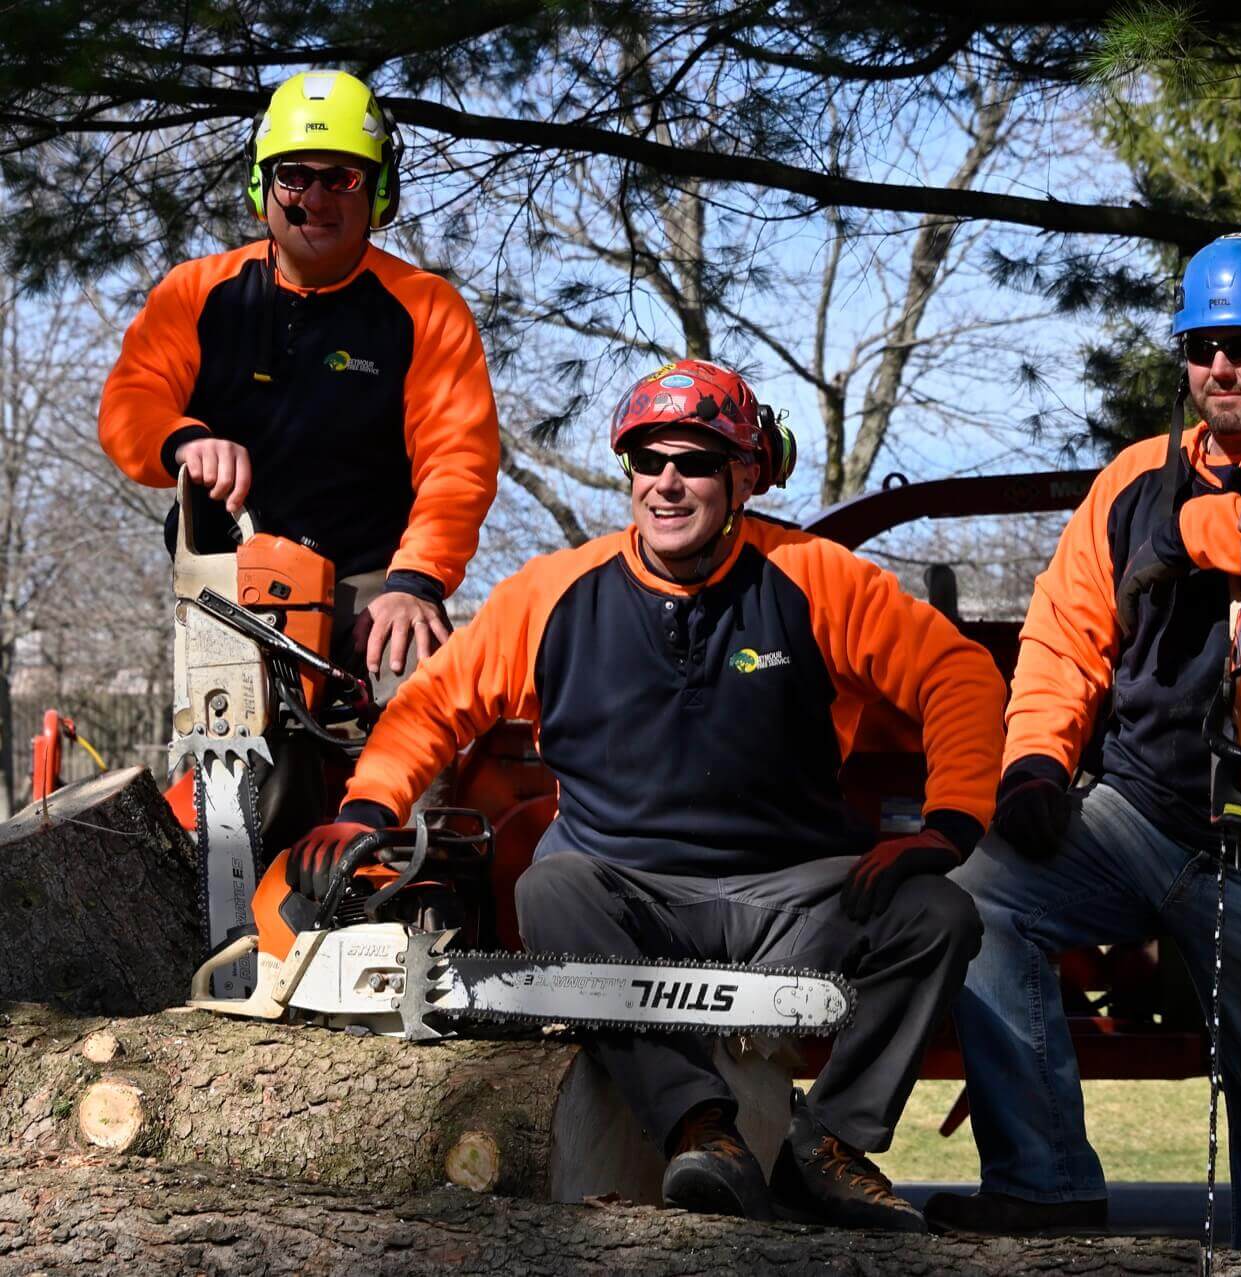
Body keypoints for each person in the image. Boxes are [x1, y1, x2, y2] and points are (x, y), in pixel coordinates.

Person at [285, 359, 1003, 1232]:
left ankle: (830, 1147)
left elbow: (958, 673)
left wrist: (950, 823)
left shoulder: (819, 579)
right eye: (646, 460)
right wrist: (369, 808)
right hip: (624, 898)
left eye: (695, 462)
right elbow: (435, 703)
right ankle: (704, 1133)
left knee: (937, 912)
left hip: (793, 897)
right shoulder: (550, 595)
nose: (666, 483)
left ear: (744, 475)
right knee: (549, 887)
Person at [927, 233, 1241, 1246]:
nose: (1220, 366)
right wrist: (1038, 763)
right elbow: (1063, 636)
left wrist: (1237, 527)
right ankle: (1044, 1187)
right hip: (1139, 816)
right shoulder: (1135, 480)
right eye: (1202, 345)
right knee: (975, 903)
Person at [99, 69, 499, 695]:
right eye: (294, 176)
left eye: (340, 178)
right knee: (243, 770)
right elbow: (131, 400)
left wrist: (415, 582)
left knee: (421, 701)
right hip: (231, 586)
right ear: (264, 186)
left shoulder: (426, 308)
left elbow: (458, 462)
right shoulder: (195, 293)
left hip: (373, 585)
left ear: (378, 189)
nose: (313, 198)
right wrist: (185, 440)